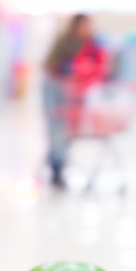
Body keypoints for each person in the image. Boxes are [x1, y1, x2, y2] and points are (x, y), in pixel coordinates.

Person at [42, 14, 103, 188]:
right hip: (55, 89)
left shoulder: (90, 45)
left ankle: (59, 165)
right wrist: (72, 67)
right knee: (56, 129)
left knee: (66, 131)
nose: (87, 29)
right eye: (84, 25)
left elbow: (97, 64)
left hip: (73, 92)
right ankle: (56, 168)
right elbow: (50, 64)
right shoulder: (65, 42)